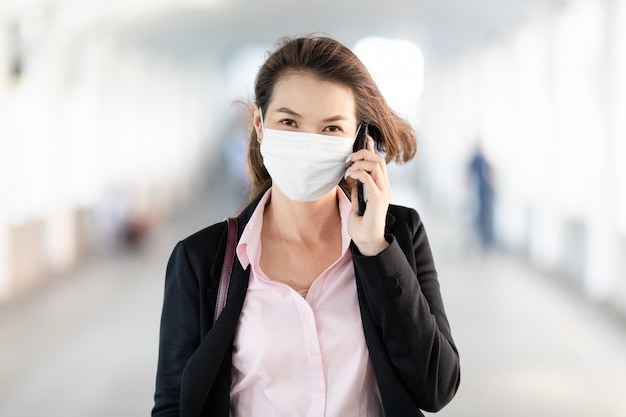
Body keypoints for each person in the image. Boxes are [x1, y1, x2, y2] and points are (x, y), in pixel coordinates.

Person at [152, 34, 460, 417]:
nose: (307, 142)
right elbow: (173, 406)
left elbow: (437, 387)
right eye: (289, 122)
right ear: (260, 124)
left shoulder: (399, 235)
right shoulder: (200, 260)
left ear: (358, 139)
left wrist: (376, 250)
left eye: (331, 128)